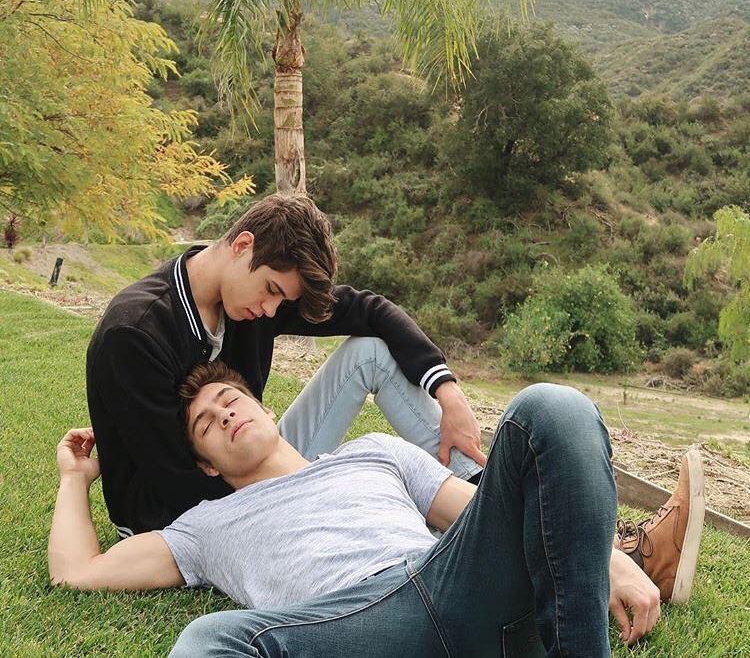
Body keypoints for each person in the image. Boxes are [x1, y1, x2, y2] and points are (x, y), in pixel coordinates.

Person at [50, 361, 705, 657]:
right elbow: (77, 572)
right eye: (205, 424)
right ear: (207, 466)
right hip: (351, 625)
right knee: (209, 640)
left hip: (452, 581)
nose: (223, 414)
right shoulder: (204, 526)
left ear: (267, 409)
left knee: (551, 409)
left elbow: (482, 514)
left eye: (231, 399)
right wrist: (74, 479)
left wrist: (607, 561)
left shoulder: (375, 451)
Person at [86, 194, 485, 538]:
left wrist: (449, 393)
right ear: (243, 245)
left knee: (369, 352)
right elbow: (177, 483)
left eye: (281, 300)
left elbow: (370, 311)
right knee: (374, 499)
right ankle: (451, 522)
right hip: (183, 513)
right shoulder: (135, 333)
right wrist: (323, 489)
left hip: (255, 469)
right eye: (272, 291)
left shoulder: (254, 301)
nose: (271, 310)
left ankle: (480, 488)